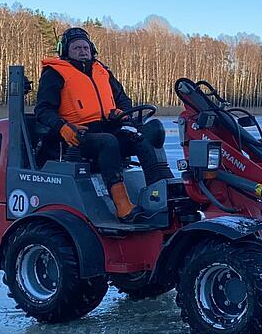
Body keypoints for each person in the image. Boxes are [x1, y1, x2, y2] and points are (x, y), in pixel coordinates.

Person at [34, 27, 171, 222]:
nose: (83, 51)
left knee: (141, 136)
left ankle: (159, 193)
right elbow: (43, 110)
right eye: (76, 48)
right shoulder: (55, 74)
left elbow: (123, 100)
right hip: (77, 136)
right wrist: (62, 127)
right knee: (108, 142)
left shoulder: (103, 72)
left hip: (107, 127)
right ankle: (123, 206)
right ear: (65, 51)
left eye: (85, 47)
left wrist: (121, 113)